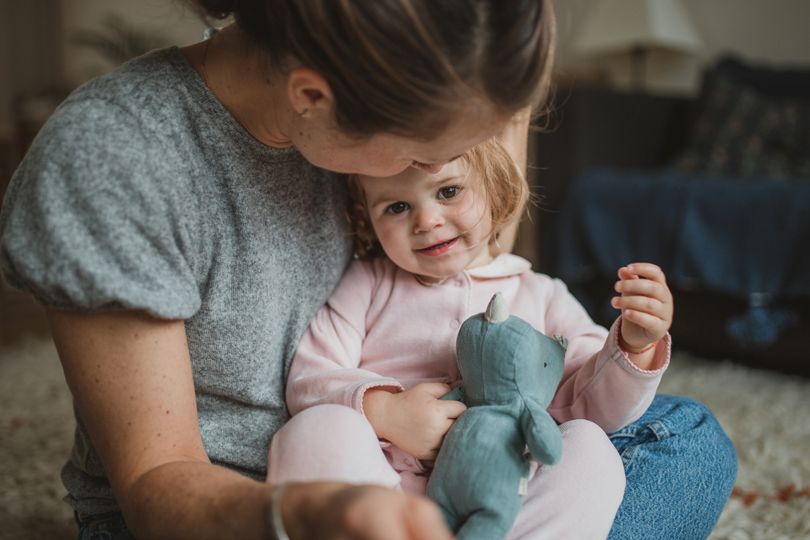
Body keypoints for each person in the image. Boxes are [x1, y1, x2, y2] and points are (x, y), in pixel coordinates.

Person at [0, 1, 559, 539]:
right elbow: (155, 480)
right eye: (420, 156)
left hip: (407, 462)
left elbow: (481, 255)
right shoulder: (114, 160)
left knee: (619, 437)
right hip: (238, 509)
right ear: (312, 96)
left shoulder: (360, 109)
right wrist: (312, 516)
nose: (438, 172)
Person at [274, 137, 671, 540]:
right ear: (366, 218)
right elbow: (309, 379)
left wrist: (635, 347)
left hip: (504, 497)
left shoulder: (543, 294)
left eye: (449, 191)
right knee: (316, 431)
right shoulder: (368, 283)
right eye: (397, 207)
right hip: (387, 492)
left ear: (495, 186)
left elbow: (592, 406)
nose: (426, 220)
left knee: (590, 447)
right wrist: (387, 413)